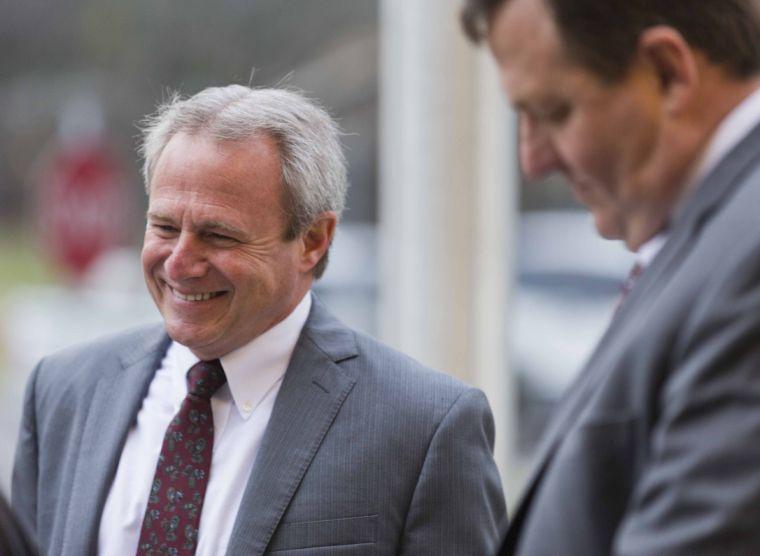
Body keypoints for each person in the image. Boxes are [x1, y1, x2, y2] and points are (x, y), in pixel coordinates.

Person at [12, 85, 507, 555]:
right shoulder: (64, 392)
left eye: (218, 236)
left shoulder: (424, 430)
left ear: (313, 240)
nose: (180, 263)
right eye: (164, 226)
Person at [461, 0, 760, 554]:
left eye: (554, 111)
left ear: (668, 73)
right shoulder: (715, 241)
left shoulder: (746, 259)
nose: (533, 160)